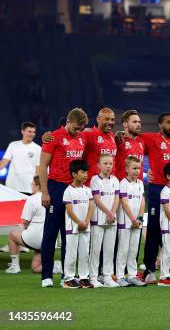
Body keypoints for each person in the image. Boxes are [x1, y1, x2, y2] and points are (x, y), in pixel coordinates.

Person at [39, 108, 88, 288]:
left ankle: (67, 275)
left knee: (70, 234)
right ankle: (46, 275)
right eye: (75, 128)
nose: (78, 131)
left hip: (74, 189)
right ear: (67, 121)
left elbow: (98, 132)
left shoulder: (83, 136)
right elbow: (42, 166)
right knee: (51, 232)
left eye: (81, 128)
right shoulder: (53, 137)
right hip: (56, 187)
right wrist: (45, 192)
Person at [140, 113, 170, 283]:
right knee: (155, 229)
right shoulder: (150, 139)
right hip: (157, 188)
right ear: (160, 125)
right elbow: (132, 147)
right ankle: (149, 269)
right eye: (168, 122)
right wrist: (143, 170)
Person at [88, 154, 120, 288]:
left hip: (111, 220)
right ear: (99, 166)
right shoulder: (95, 180)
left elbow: (117, 197)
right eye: (105, 163)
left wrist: (112, 213)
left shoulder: (115, 180)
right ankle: (93, 277)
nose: (108, 166)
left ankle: (107, 276)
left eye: (110, 164)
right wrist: (107, 212)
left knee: (109, 249)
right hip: (98, 219)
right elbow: (96, 198)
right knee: (95, 250)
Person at [62, 160, 94, 289]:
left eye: (86, 172)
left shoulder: (87, 190)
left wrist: (86, 221)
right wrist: (79, 222)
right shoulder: (68, 191)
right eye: (82, 172)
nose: (85, 175)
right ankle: (68, 278)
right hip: (73, 228)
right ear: (74, 174)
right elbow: (69, 210)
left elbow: (91, 207)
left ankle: (83, 277)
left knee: (84, 252)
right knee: (71, 253)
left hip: (85, 227)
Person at [116, 156, 146, 287]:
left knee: (134, 250)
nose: (136, 171)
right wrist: (133, 219)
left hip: (137, 223)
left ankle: (132, 275)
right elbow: (124, 203)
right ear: (127, 169)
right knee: (123, 249)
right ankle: (120, 276)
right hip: (125, 222)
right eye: (134, 168)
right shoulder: (122, 183)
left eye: (138, 168)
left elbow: (142, 201)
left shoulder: (140, 183)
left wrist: (139, 219)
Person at [5, 176, 45, 274]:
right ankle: (56, 266)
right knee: (36, 268)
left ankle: (15, 266)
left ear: (37, 185)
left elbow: (25, 222)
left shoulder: (32, 199)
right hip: (48, 240)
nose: (31, 185)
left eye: (32, 184)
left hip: (34, 239)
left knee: (12, 234)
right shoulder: (53, 197)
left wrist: (25, 229)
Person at [0, 121, 41, 195]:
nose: (32, 134)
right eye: (29, 131)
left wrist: (36, 184)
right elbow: (4, 162)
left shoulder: (38, 149)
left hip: (28, 187)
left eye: (33, 132)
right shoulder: (13, 145)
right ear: (23, 131)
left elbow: (38, 169)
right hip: (11, 187)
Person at [114, 110, 144, 182]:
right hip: (121, 186)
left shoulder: (142, 141)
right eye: (134, 122)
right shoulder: (117, 140)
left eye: (139, 122)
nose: (138, 124)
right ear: (125, 124)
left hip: (138, 187)